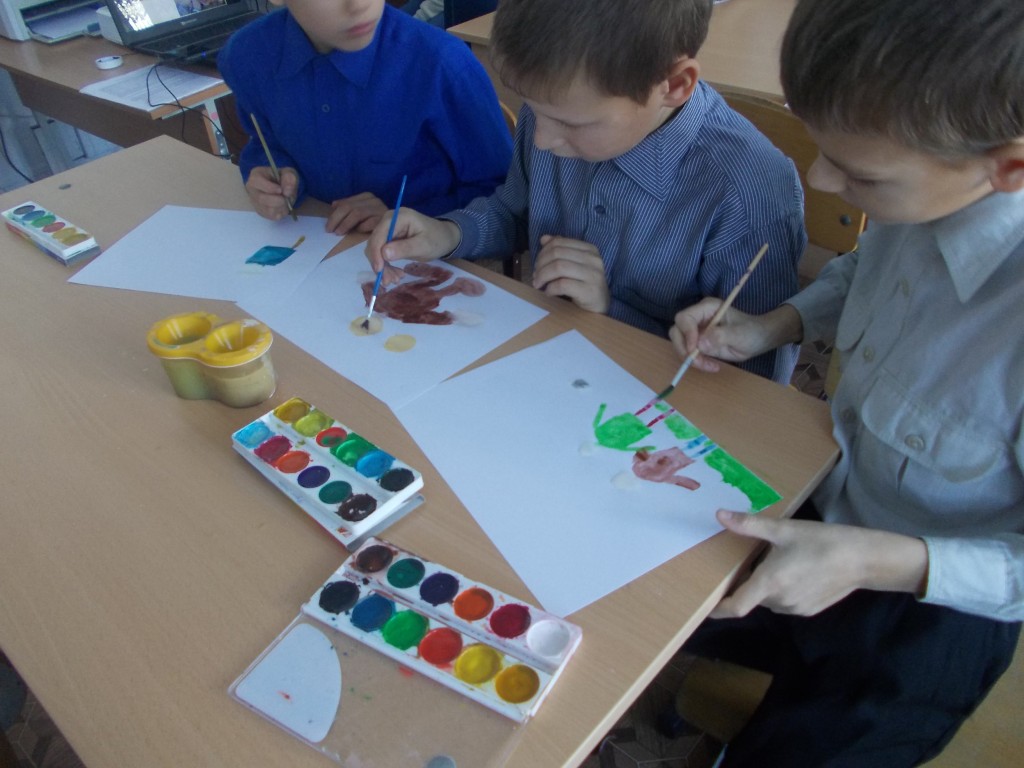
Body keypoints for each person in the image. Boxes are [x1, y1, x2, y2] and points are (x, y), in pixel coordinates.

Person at [672, 0, 1024, 765]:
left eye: (860, 173)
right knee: (664, 601)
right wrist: (771, 326)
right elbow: (863, 269)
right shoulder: (931, 176)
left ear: (1009, 168)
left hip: (927, 608)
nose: (818, 177)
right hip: (824, 502)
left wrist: (869, 562)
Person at [366, 0, 806, 383]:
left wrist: (609, 310)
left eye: (571, 123)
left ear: (673, 86)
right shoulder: (557, 110)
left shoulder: (746, 195)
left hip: (651, 411)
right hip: (548, 366)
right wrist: (448, 233)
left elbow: (749, 383)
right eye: (534, 111)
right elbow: (515, 212)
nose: (542, 140)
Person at [219, 0, 512, 235]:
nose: (359, 5)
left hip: (420, 266)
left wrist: (412, 217)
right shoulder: (246, 56)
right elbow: (264, 142)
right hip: (311, 248)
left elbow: (504, 197)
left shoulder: (442, 63)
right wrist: (270, 175)